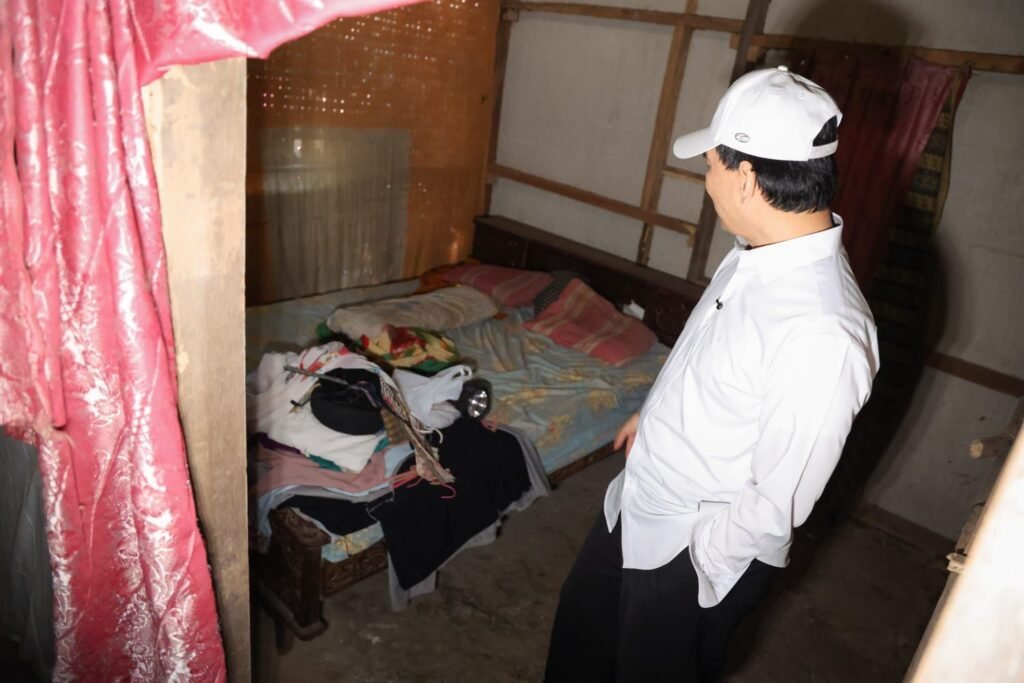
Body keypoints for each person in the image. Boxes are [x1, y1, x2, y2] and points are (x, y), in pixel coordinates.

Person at [544, 66, 880, 682]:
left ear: (746, 178)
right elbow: (704, 355)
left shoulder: (823, 331)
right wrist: (655, 416)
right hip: (636, 508)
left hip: (693, 554)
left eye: (710, 165)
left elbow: (777, 500)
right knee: (578, 650)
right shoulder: (755, 254)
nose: (707, 180)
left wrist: (696, 564)